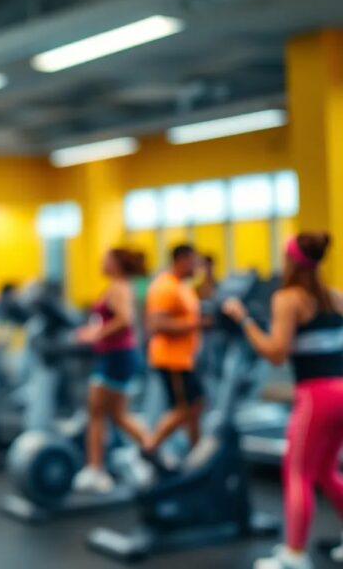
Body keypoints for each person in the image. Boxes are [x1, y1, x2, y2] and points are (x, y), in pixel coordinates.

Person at [221, 233, 343, 569]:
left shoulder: (288, 298)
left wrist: (242, 318)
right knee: (325, 471)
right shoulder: (335, 296)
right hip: (341, 390)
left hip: (315, 395)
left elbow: (276, 353)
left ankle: (294, 554)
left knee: (298, 472)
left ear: (290, 260)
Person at [72, 249, 151, 494]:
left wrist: (95, 334)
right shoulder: (118, 286)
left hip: (116, 355)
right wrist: (92, 332)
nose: (101, 263)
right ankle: (154, 451)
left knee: (97, 410)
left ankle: (96, 470)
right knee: (116, 414)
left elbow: (125, 319)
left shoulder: (118, 287)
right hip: (115, 354)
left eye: (106, 259)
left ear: (117, 263)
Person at [142, 244, 204, 459]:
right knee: (184, 409)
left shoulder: (182, 286)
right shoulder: (165, 286)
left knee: (195, 406)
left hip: (184, 359)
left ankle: (197, 455)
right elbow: (156, 324)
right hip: (171, 359)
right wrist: (196, 325)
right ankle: (148, 448)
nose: (196, 266)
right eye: (193, 261)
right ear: (181, 260)